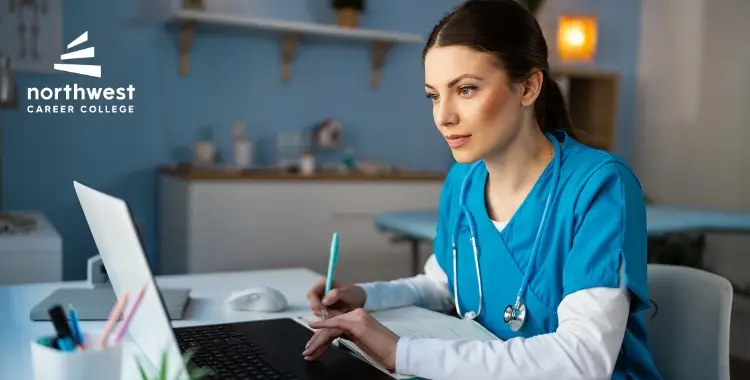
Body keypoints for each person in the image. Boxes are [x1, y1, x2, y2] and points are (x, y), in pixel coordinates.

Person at [302, 0, 662, 379]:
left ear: (528, 87)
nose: (444, 116)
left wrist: (402, 353)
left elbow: (582, 360)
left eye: (467, 89)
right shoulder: (463, 182)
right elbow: (444, 285)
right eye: (434, 95)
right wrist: (367, 296)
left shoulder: (598, 186)